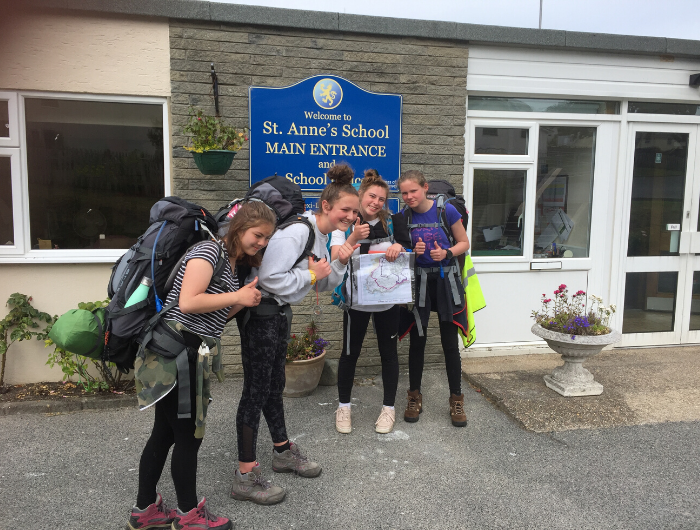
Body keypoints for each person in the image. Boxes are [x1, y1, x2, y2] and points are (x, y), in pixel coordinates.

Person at [127, 201, 276, 530]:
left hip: (184, 352)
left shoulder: (231, 262)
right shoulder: (209, 251)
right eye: (258, 235)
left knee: (165, 434)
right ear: (239, 228)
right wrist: (236, 297)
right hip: (176, 352)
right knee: (187, 436)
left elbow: (215, 314)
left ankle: (145, 510)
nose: (262, 243)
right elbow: (189, 302)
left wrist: (242, 297)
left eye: (267, 239)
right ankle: (188, 515)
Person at [231, 164, 360, 505]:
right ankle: (245, 475)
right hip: (260, 317)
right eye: (345, 209)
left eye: (354, 211)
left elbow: (326, 281)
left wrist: (341, 260)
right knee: (256, 392)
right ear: (326, 205)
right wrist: (310, 276)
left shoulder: (321, 236)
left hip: (278, 317)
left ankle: (282, 451)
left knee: (274, 387)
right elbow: (271, 278)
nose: (350, 215)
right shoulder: (297, 233)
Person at [330, 169, 411, 434]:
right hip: (356, 304)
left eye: (381, 199)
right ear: (361, 195)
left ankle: (388, 409)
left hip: (387, 303)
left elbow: (406, 254)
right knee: (349, 355)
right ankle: (343, 407)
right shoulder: (345, 224)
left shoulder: (392, 223)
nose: (375, 202)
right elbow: (337, 258)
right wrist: (354, 236)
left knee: (388, 355)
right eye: (371, 196)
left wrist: (399, 248)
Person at [397, 170, 471, 428]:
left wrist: (448, 252)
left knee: (449, 343)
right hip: (420, 283)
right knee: (418, 341)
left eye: (413, 191)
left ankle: (456, 400)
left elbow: (464, 242)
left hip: (446, 282)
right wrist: (410, 252)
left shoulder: (447, 211)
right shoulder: (403, 218)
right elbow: (397, 253)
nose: (408, 197)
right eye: (404, 193)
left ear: (425, 188)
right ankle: (414, 397)